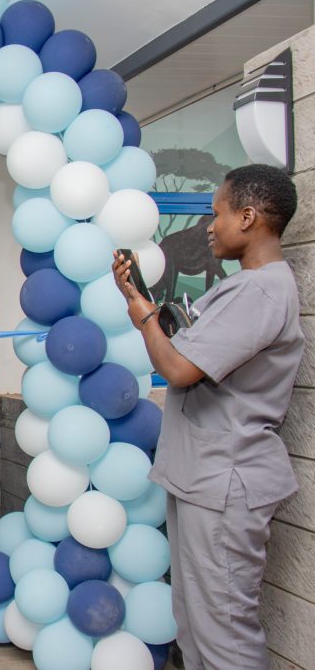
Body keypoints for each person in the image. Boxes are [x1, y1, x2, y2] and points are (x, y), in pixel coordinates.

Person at [112, 164, 303, 670]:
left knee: (223, 634)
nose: (209, 228)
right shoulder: (244, 287)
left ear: (248, 217)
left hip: (224, 480)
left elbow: (178, 368)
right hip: (202, 475)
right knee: (194, 624)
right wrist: (143, 304)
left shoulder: (260, 291)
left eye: (216, 215)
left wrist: (143, 317)